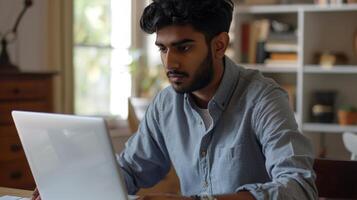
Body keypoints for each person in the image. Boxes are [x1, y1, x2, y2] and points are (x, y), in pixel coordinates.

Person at [32, 0, 317, 199]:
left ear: (219, 45)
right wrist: (70, 187)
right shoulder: (167, 104)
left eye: (184, 48)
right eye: (163, 49)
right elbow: (130, 169)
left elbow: (299, 188)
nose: (170, 62)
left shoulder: (263, 98)